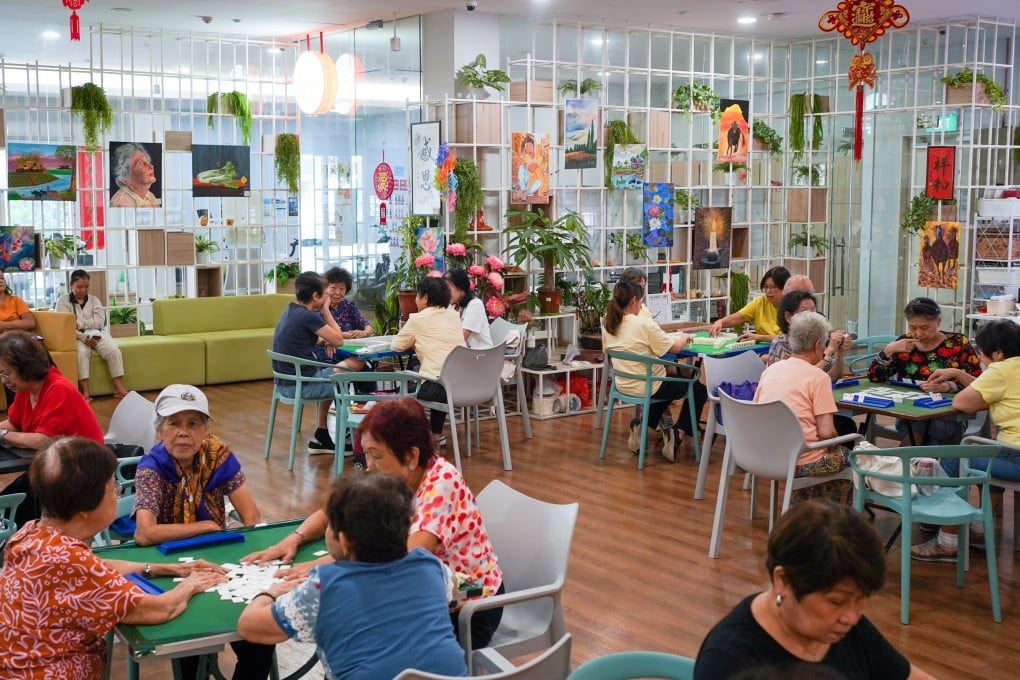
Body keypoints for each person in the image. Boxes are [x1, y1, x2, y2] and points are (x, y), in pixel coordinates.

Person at [243, 397, 505, 649]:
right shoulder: (394, 477)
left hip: (469, 609)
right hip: (420, 597)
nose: (369, 466)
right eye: (367, 455)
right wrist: (296, 537)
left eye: (376, 456)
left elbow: (405, 556)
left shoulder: (441, 483)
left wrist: (321, 566)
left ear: (411, 456)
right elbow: (340, 506)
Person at [0, 437, 228, 679]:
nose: (118, 493)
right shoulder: (72, 562)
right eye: (114, 487)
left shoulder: (30, 534)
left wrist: (164, 568)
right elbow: (161, 610)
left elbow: (95, 567)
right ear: (86, 508)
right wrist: (192, 584)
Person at [237, 473, 469, 679]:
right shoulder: (433, 567)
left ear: (345, 541)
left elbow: (248, 627)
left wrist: (270, 592)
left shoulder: (324, 587)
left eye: (330, 525)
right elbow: (448, 590)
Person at [694, 500, 934, 680]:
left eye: (862, 599)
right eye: (836, 602)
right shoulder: (728, 660)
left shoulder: (847, 629)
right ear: (783, 581)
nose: (852, 616)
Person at [132, 384, 273, 679]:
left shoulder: (219, 454)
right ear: (160, 430)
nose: (184, 432)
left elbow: (251, 515)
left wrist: (250, 562)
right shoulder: (151, 468)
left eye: (193, 423)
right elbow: (144, 533)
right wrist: (204, 526)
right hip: (169, 567)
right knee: (190, 647)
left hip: (219, 558)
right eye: (174, 423)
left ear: (206, 429)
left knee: (260, 637)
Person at [911, 319, 1020, 562]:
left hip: (1016, 457)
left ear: (998, 353)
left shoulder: (1001, 370)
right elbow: (990, 390)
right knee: (988, 453)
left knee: (955, 456)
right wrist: (959, 374)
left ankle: (947, 542)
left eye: (982, 353)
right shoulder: (1011, 369)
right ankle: (980, 530)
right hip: (1010, 451)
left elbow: (962, 403)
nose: (981, 358)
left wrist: (957, 380)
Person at [0, 330, 104, 526]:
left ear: (25, 367)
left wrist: (3, 435)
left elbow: (43, 440)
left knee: (13, 513)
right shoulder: (26, 388)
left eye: (7, 373)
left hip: (81, 471)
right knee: (8, 506)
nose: (4, 380)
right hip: (55, 466)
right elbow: (14, 422)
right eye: (1, 374)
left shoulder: (58, 389)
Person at [754, 312, 853, 504]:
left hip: (765, 454)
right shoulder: (819, 379)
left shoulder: (771, 370)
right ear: (818, 345)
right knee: (851, 456)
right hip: (800, 460)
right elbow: (826, 434)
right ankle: (828, 517)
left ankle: (805, 505)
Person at [603, 279, 703, 462]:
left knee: (665, 384)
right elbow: (674, 349)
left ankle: (641, 425)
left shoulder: (609, 324)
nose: (641, 306)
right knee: (696, 388)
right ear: (634, 300)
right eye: (640, 302)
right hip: (649, 384)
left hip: (623, 385)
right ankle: (677, 434)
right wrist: (685, 336)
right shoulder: (643, 324)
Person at [868, 297, 981, 445]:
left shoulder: (958, 344)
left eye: (925, 328)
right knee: (920, 426)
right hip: (909, 414)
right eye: (912, 328)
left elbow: (980, 384)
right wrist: (888, 351)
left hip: (949, 418)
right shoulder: (904, 344)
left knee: (922, 429)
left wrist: (950, 386)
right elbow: (875, 378)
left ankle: (902, 464)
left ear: (938, 322)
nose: (918, 334)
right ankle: (921, 466)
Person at [272, 271, 348, 453]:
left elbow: (302, 339)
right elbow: (339, 339)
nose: (329, 297)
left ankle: (322, 433)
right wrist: (326, 311)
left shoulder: (290, 310)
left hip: (284, 384)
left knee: (331, 370)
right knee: (353, 368)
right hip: (301, 386)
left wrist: (323, 340)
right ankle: (350, 436)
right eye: (326, 293)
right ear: (316, 296)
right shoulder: (309, 316)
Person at [392, 276, 466, 448]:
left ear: (425, 298)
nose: (416, 300)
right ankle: (435, 435)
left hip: (437, 388)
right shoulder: (454, 315)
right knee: (437, 375)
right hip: (460, 384)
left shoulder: (418, 318)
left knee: (397, 392)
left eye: (417, 296)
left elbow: (396, 346)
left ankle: (407, 441)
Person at [55, 269, 129, 400]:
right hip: (76, 336)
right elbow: (65, 326)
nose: (83, 290)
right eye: (79, 287)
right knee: (82, 354)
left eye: (86, 286)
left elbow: (100, 322)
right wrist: (83, 337)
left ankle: (118, 387)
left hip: (97, 333)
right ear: (70, 285)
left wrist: (80, 323)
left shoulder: (94, 300)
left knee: (113, 351)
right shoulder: (63, 301)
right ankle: (85, 392)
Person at [768, 290, 851, 381]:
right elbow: (799, 382)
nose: (811, 316)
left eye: (813, 310)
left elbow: (831, 378)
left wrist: (840, 353)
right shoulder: (780, 344)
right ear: (788, 317)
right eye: (804, 312)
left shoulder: (819, 340)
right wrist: (828, 352)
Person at [312, 266, 375, 369]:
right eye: (333, 288)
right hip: (326, 354)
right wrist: (348, 335)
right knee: (359, 366)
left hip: (350, 351)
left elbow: (369, 327)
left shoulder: (348, 306)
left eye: (341, 289)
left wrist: (365, 333)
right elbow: (317, 336)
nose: (337, 293)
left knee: (366, 369)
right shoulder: (317, 307)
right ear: (325, 289)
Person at [709, 266, 790, 342]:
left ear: (785, 287)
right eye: (766, 287)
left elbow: (790, 338)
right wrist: (721, 322)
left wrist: (760, 337)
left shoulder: (793, 306)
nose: (768, 291)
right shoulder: (760, 302)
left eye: (773, 287)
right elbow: (736, 318)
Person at [0, 271, 36, 407]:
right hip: (4, 344)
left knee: (38, 351)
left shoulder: (15, 300)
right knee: (9, 359)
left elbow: (30, 322)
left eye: (2, 277)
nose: (1, 280)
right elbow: (23, 323)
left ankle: (49, 393)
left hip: (19, 340)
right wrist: (15, 325)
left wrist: (5, 326)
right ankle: (15, 408)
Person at [445, 268, 493, 348]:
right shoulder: (452, 305)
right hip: (462, 353)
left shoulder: (475, 304)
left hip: (480, 356)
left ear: (462, 289)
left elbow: (463, 336)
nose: (445, 293)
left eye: (449, 289)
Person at [110, 142, 160, 208]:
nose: (151, 166)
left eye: (147, 161)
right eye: (141, 164)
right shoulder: (122, 203)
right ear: (125, 180)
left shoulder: (149, 195)